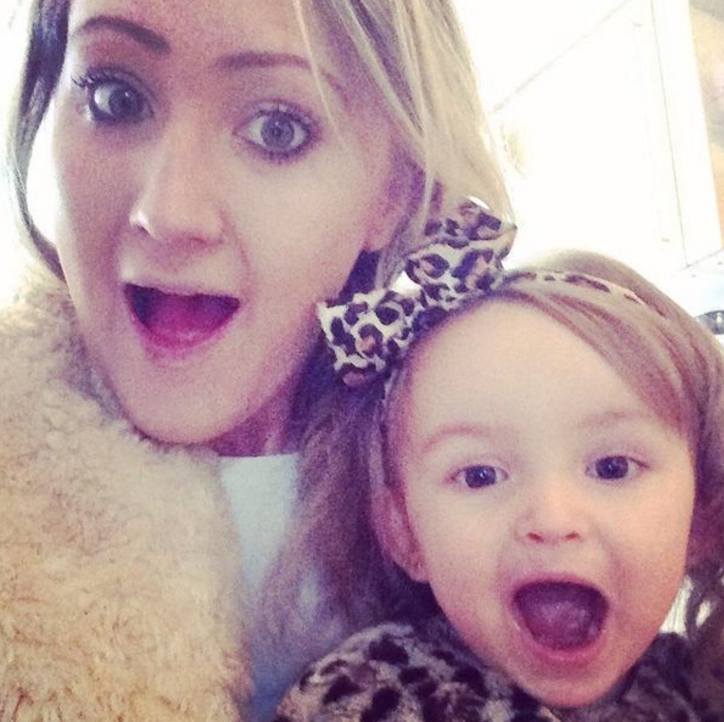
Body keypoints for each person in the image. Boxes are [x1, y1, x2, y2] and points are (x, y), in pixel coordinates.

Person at [0, 1, 513, 720]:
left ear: (393, 194)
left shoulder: (499, 486)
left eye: (278, 129)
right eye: (116, 98)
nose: (170, 213)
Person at [273, 229, 724, 721]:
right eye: (480, 475)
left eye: (611, 468)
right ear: (403, 533)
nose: (552, 519)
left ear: (701, 517)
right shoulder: (373, 691)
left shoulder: (699, 683)